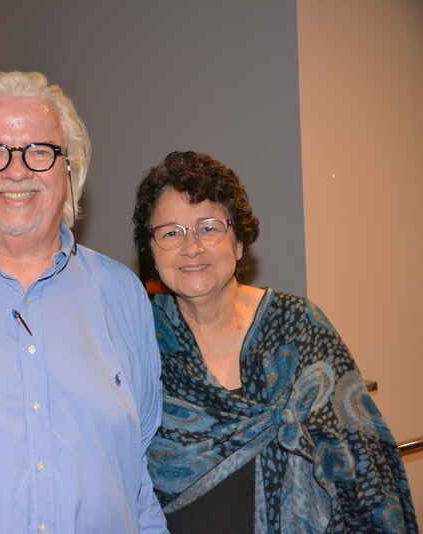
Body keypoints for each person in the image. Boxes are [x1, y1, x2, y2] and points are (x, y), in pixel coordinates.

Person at [0, 71, 168, 533]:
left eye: (40, 151)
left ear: (69, 169)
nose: (16, 170)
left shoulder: (121, 292)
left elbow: (136, 477)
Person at [133, 150, 418, 533]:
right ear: (152, 252)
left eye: (209, 227)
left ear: (238, 243)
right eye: (171, 232)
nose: (192, 247)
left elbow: (365, 463)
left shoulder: (298, 325)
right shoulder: (137, 339)